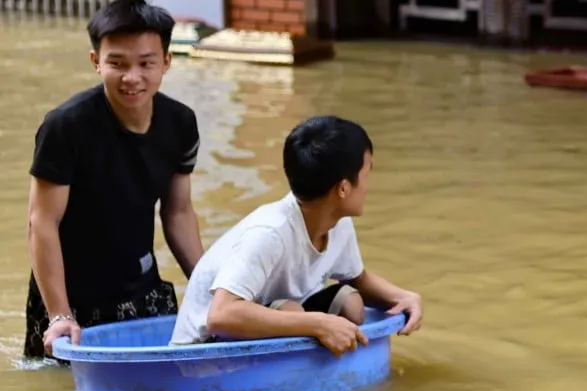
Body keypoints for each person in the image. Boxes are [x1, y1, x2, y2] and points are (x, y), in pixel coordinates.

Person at [26, 0, 204, 360]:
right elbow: (43, 222)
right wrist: (59, 314)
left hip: (144, 289)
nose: (132, 77)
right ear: (96, 62)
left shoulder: (181, 123)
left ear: (166, 62)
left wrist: (212, 290)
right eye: (117, 64)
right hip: (70, 298)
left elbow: (178, 213)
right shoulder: (65, 127)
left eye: (146, 63)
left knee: (166, 384)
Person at [168, 115, 423, 352]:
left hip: (264, 318)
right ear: (343, 189)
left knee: (351, 304)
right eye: (366, 174)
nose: (368, 186)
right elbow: (220, 316)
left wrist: (403, 297)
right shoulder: (270, 233)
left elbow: (358, 279)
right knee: (292, 310)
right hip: (202, 351)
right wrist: (318, 324)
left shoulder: (337, 221)